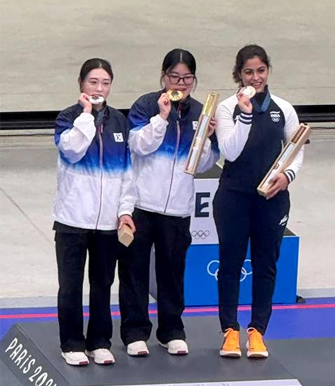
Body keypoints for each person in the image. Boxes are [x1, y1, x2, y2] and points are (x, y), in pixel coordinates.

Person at [118, 48, 219, 356]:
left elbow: (201, 165)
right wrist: (161, 117)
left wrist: (207, 140)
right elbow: (138, 146)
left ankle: (171, 329)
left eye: (187, 77)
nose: (180, 82)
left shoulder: (201, 112)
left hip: (177, 208)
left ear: (194, 80)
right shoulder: (145, 105)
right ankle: (135, 331)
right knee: (133, 270)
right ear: (163, 77)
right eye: (174, 76)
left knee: (172, 271)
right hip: (141, 204)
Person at [213, 44, 304, 358]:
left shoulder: (284, 109)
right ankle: (229, 331)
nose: (255, 78)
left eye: (260, 71)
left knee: (266, 266)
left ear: (268, 71)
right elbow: (231, 152)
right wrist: (246, 115)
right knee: (230, 265)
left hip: (272, 201)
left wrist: (288, 175)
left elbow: (296, 149)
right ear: (239, 73)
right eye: (248, 72)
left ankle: (257, 332)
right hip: (233, 199)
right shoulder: (227, 108)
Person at [53, 58, 135, 366]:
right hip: (72, 221)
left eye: (105, 83)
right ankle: (71, 342)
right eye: (93, 82)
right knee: (71, 285)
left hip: (107, 223)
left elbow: (127, 172)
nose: (99, 88)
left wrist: (125, 211)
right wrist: (86, 116)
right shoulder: (67, 118)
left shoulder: (119, 122)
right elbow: (72, 150)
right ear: (81, 84)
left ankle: (99, 340)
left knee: (103, 284)